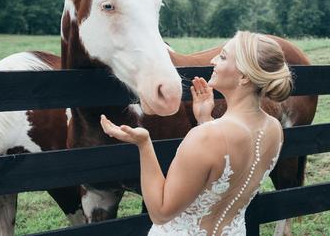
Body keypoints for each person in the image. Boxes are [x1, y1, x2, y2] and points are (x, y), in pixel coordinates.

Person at [100, 30, 293, 235]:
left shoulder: (205, 137)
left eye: (223, 56)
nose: (213, 60)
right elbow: (225, 179)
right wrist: (204, 119)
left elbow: (161, 212)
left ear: (244, 76)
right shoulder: (273, 129)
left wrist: (144, 144)